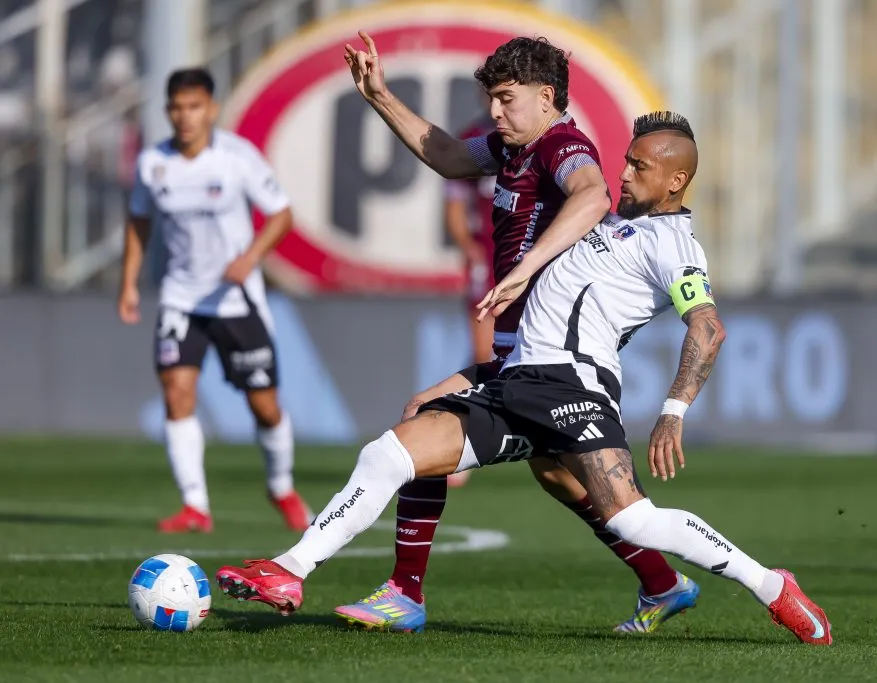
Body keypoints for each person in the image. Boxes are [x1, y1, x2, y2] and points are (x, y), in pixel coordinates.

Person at [214, 111, 834, 646]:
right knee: (391, 452)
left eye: (641, 167)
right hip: (515, 382)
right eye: (626, 161)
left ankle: (773, 586)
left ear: (676, 180)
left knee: (633, 520)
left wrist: (673, 409)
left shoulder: (674, 243)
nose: (625, 173)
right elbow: (459, 160)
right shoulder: (616, 227)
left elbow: (707, 327)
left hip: (572, 387)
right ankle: (292, 569)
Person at [330, 32, 694, 634]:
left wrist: (525, 270)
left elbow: (592, 192)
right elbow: (447, 155)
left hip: (549, 356)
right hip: (521, 351)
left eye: (505, 99)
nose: (494, 112)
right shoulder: (511, 151)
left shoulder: (562, 145)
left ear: (546, 96)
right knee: (556, 474)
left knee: (423, 427)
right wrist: (380, 96)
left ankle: (404, 594)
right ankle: (663, 583)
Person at [118, 68, 311, 533]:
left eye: (194, 106)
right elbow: (139, 220)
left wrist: (250, 258)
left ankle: (281, 486)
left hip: (235, 299)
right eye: (177, 108)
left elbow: (281, 214)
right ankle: (195, 506)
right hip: (181, 298)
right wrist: (128, 283)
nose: (185, 117)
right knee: (176, 393)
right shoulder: (153, 164)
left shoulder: (236, 158)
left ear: (212, 109)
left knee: (264, 405)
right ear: (168, 111)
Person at [441, 112, 498, 488]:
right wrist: (468, 248)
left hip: (533, 259)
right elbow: (456, 205)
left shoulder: (548, 137)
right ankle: (455, 442)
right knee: (483, 356)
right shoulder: (475, 139)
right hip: (489, 261)